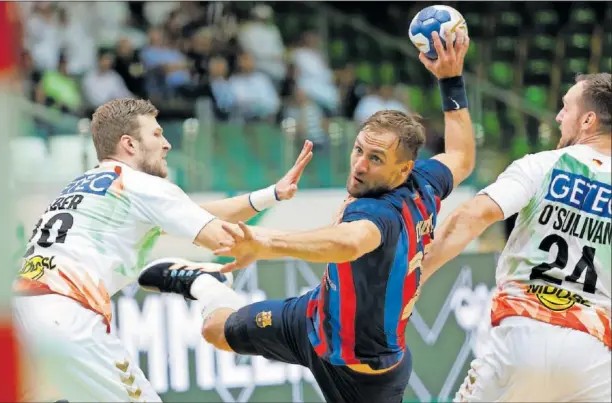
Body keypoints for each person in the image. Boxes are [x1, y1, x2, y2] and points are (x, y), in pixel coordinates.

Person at [138, 31, 473, 402]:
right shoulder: (426, 178)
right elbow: (461, 156)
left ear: (402, 169)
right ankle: (205, 284)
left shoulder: (380, 213)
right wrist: (450, 79)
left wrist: (264, 243)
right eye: (358, 150)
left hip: (362, 376)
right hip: (312, 317)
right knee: (215, 331)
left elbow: (348, 242)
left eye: (375, 159)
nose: (359, 166)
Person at [12, 98, 313, 402]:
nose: (167, 144)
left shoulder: (85, 184)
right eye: (156, 134)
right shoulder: (142, 185)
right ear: (129, 144)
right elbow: (222, 238)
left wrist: (271, 195)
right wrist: (317, 242)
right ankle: (209, 287)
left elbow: (197, 213)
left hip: (14, 321)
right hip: (66, 320)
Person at [420, 72, 611, 402]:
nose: (558, 116)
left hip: (523, 336)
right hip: (593, 355)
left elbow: (470, 217)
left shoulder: (541, 165)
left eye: (566, 108)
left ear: (587, 120)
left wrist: (414, 276)